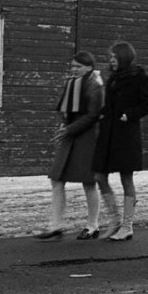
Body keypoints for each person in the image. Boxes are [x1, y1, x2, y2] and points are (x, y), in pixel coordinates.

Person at [35, 52, 106, 240]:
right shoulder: (72, 84)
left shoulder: (95, 86)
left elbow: (93, 116)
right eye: (73, 66)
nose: (74, 69)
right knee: (57, 179)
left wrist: (69, 129)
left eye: (78, 66)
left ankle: (93, 225)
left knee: (88, 182)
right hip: (70, 135)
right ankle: (56, 225)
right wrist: (64, 125)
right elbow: (66, 110)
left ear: (89, 67)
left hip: (87, 138)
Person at [92, 41, 148, 242]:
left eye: (114, 57)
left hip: (126, 135)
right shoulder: (112, 78)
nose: (111, 60)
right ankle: (114, 220)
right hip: (108, 134)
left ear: (124, 57)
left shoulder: (139, 77)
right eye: (110, 57)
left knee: (126, 178)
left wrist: (130, 115)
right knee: (99, 175)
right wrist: (101, 115)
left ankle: (127, 225)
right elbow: (109, 105)